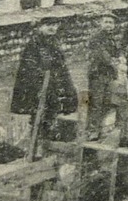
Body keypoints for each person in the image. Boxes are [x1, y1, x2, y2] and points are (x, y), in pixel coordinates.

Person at [10, 18, 80, 148]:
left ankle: (46, 140)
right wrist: (40, 80)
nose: (52, 27)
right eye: (48, 25)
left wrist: (67, 85)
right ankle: (36, 142)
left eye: (54, 24)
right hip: (38, 86)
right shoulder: (34, 44)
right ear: (40, 27)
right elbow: (29, 67)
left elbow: (61, 66)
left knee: (53, 112)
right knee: (39, 114)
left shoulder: (54, 43)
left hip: (54, 85)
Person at [84, 14, 124, 137]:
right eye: (106, 22)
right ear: (100, 23)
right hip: (97, 74)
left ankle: (101, 127)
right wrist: (114, 62)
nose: (108, 25)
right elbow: (102, 54)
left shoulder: (112, 38)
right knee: (96, 102)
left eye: (111, 23)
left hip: (109, 75)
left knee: (107, 101)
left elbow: (117, 51)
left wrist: (121, 57)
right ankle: (92, 131)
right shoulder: (96, 38)